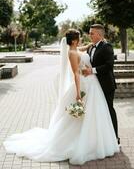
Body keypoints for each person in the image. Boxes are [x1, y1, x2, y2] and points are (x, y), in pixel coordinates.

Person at [3, 29, 119, 165]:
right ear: (75, 40)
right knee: (82, 117)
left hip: (93, 84)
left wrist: (89, 46)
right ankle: (84, 142)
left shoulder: (76, 49)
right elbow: (76, 73)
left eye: (91, 34)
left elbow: (82, 50)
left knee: (95, 114)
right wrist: (77, 93)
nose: (84, 38)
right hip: (84, 85)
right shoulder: (72, 52)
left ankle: (96, 140)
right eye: (80, 37)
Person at [82, 24, 120, 145]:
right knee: (98, 112)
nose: (90, 35)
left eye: (92, 33)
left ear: (99, 34)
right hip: (94, 86)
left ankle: (115, 138)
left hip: (106, 85)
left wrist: (91, 70)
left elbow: (109, 66)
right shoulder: (90, 47)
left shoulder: (107, 46)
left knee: (109, 110)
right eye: (89, 33)